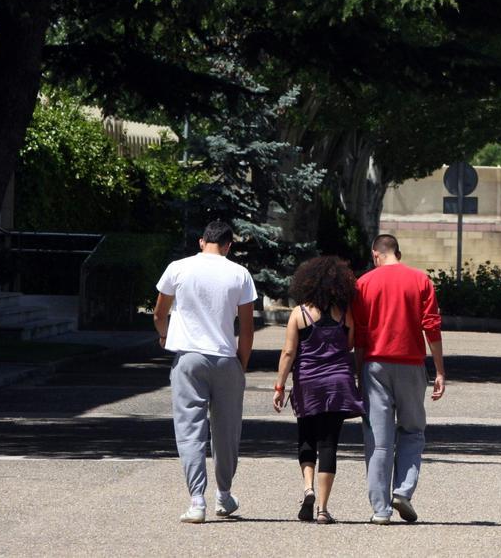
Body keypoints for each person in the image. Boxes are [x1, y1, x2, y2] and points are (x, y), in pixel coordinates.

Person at [153, 220, 257, 524]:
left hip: (188, 356)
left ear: (202, 241)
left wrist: (164, 335)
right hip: (225, 358)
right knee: (226, 432)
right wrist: (243, 363)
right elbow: (247, 328)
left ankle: (196, 500)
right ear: (228, 245)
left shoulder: (179, 268)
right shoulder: (240, 273)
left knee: (190, 430)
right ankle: (224, 495)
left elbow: (160, 312)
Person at [353, 234, 445, 525]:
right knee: (413, 431)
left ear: (375, 254)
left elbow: (359, 333)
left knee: (378, 441)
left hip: (375, 365)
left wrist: (358, 372)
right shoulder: (420, 281)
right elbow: (431, 327)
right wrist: (440, 370)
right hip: (411, 365)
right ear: (398, 253)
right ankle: (403, 491)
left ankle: (380, 510)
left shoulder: (364, 283)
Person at [272, 256, 366, 525]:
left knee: (306, 438)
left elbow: (289, 352)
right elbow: (348, 344)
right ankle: (323, 509)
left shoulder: (299, 313)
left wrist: (280, 386)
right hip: (338, 385)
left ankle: (308, 488)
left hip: (308, 384)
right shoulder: (344, 312)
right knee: (329, 444)